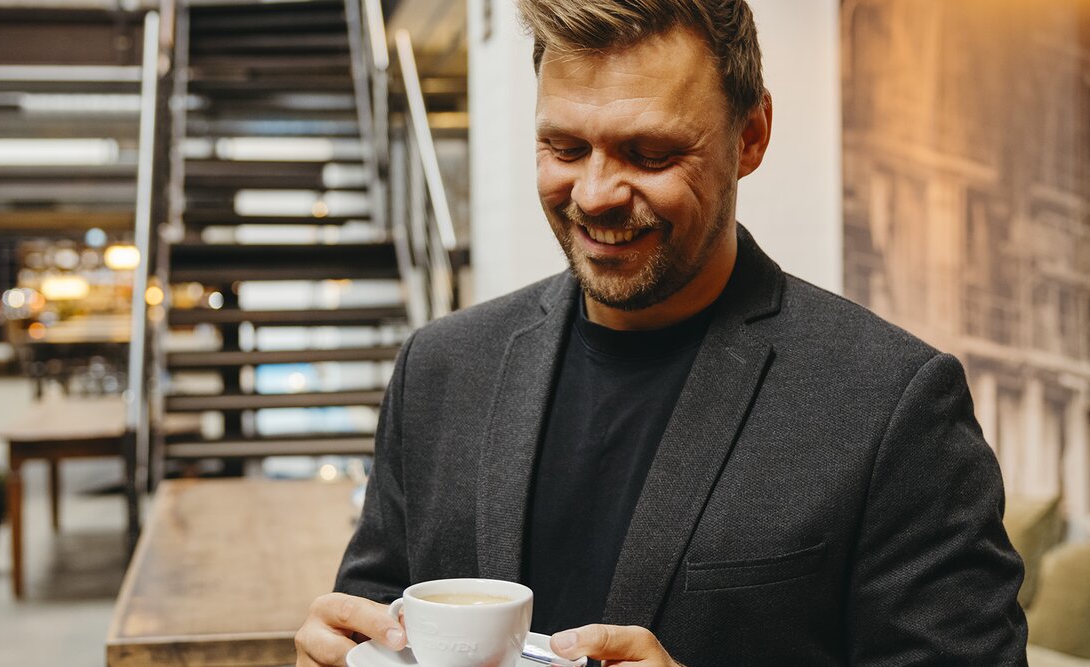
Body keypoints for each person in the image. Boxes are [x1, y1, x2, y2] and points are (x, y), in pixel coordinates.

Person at [296, 0, 1027, 664]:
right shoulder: (440, 369)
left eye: (650, 155)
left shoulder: (893, 404)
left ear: (751, 136)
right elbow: (374, 622)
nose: (594, 195)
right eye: (565, 148)